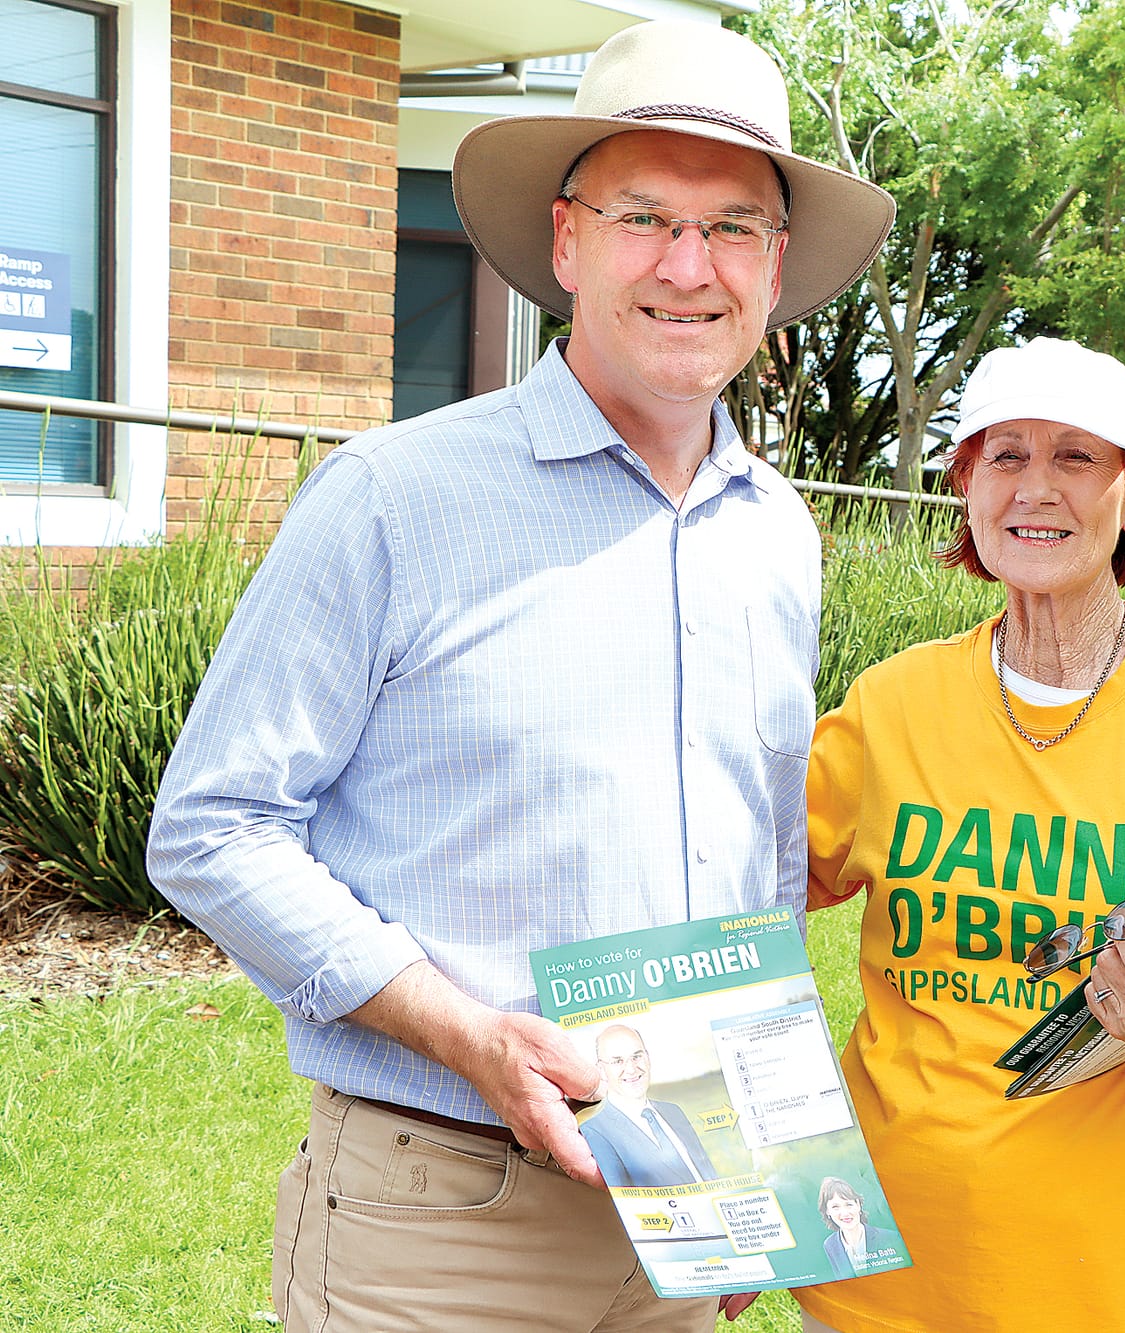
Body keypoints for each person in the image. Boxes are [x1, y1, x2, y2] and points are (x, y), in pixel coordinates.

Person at [144, 18, 893, 1333]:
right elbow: (211, 828)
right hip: (442, 1216)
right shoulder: (393, 500)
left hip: (691, 1194)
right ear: (565, 241)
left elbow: (757, 860)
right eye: (644, 216)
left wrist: (753, 1155)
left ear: (774, 271)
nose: (686, 265)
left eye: (731, 229)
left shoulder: (779, 531)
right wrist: (464, 1031)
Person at [795, 337, 1125, 1333]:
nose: (1036, 487)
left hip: (1106, 1280)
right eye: (1004, 455)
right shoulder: (889, 702)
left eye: (1076, 457)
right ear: (966, 490)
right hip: (884, 1268)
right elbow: (745, 902)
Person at [581, 1025, 718, 1189]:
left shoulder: (673, 1111)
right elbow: (622, 1202)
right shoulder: (594, 1130)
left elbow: (707, 1171)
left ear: (648, 1058)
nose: (631, 1069)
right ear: (602, 1070)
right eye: (618, 1061)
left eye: (637, 1056)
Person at [815, 1179, 900, 1280]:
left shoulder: (891, 1237)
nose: (845, 1213)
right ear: (827, 1212)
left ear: (858, 1205)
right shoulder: (830, 1244)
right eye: (835, 1207)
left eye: (848, 1204)